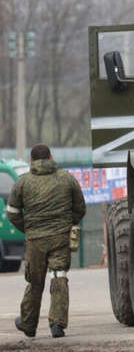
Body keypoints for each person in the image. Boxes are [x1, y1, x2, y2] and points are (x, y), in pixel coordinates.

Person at [5, 144, 86, 338]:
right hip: (60, 237)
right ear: (51, 157)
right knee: (59, 276)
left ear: (31, 161)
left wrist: (28, 228)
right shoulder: (67, 179)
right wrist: (67, 224)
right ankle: (57, 324)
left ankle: (28, 323)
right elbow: (80, 208)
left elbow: (12, 212)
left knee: (35, 280)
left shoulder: (23, 183)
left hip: (35, 240)